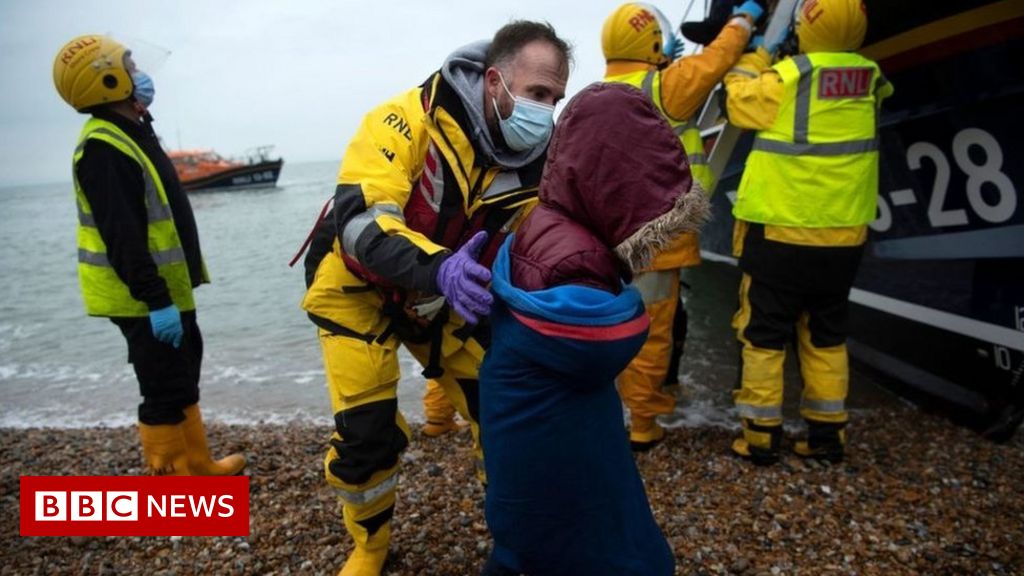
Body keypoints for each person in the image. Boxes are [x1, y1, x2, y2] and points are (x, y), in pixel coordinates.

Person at [299, 21, 571, 575]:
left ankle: (514, 539)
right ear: (495, 81)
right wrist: (441, 268)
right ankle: (370, 547)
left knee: (507, 415)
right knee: (366, 435)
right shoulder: (404, 119)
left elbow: (547, 243)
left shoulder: (541, 163)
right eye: (537, 93)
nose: (546, 110)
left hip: (450, 298)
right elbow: (362, 220)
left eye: (556, 98)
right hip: (358, 288)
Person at [480, 82, 708, 576]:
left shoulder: (544, 219)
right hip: (556, 435)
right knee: (612, 549)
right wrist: (628, 301)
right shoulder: (579, 258)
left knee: (527, 541)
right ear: (615, 183)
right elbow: (602, 341)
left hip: (523, 427)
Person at [52, 35, 246, 476]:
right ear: (105, 78)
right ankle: (173, 489)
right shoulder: (103, 148)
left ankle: (197, 465)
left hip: (167, 289)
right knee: (161, 387)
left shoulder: (132, 129)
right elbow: (122, 236)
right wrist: (155, 300)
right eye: (129, 65)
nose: (140, 73)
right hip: (141, 297)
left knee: (183, 374)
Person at [723, 0, 893, 465]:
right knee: (825, 335)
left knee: (763, 334)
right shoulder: (872, 80)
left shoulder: (789, 77)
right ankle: (826, 435)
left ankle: (759, 435)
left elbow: (736, 101)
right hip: (843, 238)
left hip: (781, 232)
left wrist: (759, 54)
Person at [601, 1, 762, 450]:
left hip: (608, 242)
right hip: (659, 243)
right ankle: (644, 424)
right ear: (653, 42)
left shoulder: (596, 96)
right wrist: (743, 20)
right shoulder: (666, 86)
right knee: (651, 336)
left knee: (608, 327)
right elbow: (719, 57)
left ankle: (603, 411)